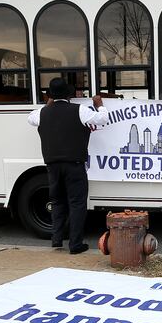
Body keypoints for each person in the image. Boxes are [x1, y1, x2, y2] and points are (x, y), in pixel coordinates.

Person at [28, 78, 109, 254]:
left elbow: (30, 119)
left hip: (52, 166)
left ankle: (56, 239)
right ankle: (75, 244)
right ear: (69, 95)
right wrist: (99, 103)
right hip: (74, 164)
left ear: (50, 96)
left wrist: (48, 104)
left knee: (57, 202)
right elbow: (103, 118)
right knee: (77, 203)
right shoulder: (79, 110)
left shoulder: (42, 113)